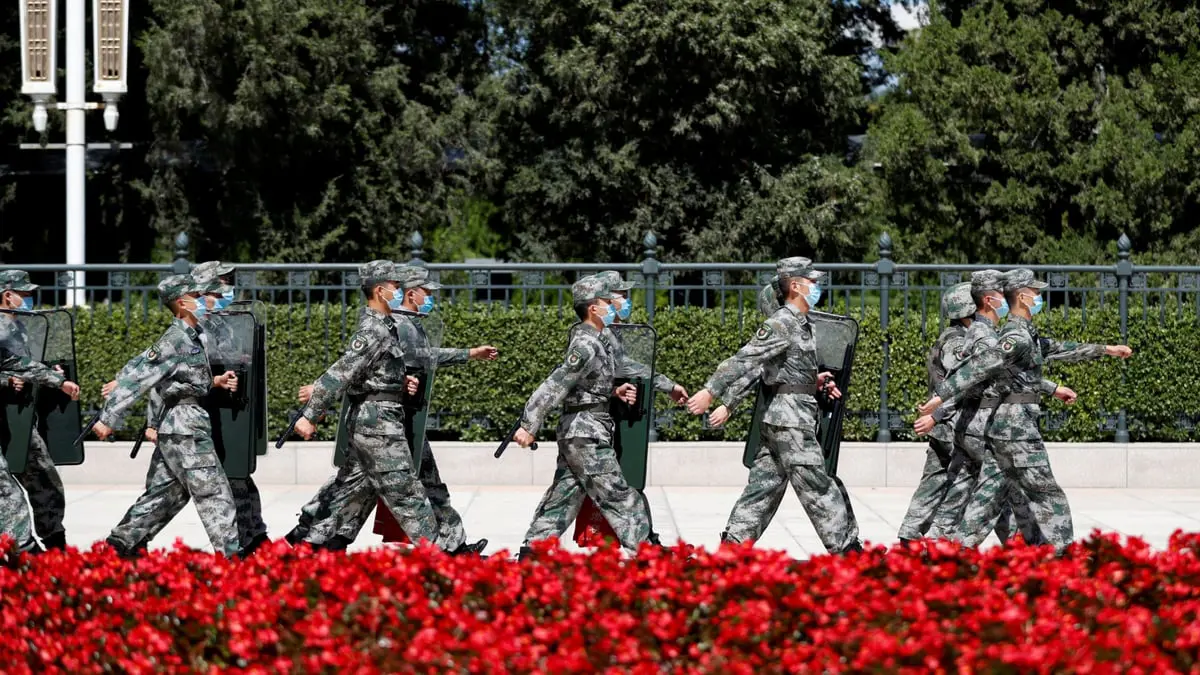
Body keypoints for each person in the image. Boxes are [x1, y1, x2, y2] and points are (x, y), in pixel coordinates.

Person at [920, 268, 1133, 552]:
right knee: (1046, 493)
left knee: (989, 499)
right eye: (1035, 292)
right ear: (1021, 296)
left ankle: (951, 552)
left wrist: (1106, 349)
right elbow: (985, 364)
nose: (1039, 296)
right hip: (1016, 429)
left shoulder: (1024, 334)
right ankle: (1063, 554)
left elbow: (1056, 348)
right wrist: (940, 397)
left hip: (1002, 430)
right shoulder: (1015, 336)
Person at [303, 264, 497, 555]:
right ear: (380, 291)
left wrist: (400, 380)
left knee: (354, 487)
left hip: (386, 418)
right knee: (407, 492)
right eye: (395, 286)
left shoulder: (388, 326)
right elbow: (341, 373)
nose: (399, 291)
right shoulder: (374, 330)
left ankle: (312, 543)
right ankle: (443, 557)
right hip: (378, 421)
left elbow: (394, 365)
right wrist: (311, 413)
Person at [686, 257, 863, 554]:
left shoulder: (802, 323)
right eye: (812, 281)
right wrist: (710, 391)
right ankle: (849, 552)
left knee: (763, 488)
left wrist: (814, 381)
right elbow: (745, 360)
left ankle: (732, 550)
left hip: (785, 417)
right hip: (790, 421)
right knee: (817, 485)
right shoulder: (782, 322)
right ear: (795, 285)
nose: (817, 285)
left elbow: (780, 369)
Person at [92, 275, 241, 558]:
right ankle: (233, 562)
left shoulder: (190, 336)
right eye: (197, 296)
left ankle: (118, 547)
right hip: (186, 428)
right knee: (217, 497)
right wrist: (108, 418)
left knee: (164, 495)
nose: (204, 300)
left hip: (180, 425)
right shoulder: (175, 339)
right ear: (182, 304)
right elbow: (139, 375)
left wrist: (215, 382)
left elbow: (182, 381)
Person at [514, 275, 652, 558]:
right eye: (606, 301)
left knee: (563, 498)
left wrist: (613, 392)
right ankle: (648, 556)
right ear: (593, 307)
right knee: (620, 497)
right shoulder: (586, 345)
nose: (612, 305)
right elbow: (557, 383)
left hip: (582, 430)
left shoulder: (596, 340)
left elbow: (584, 385)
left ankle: (532, 553)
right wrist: (529, 423)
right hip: (585, 433)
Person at [0, 270, 72, 550]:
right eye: (25, 294)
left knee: (44, 478)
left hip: (16, 417)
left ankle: (55, 542)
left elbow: (21, 364)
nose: (29, 299)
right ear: (8, 295)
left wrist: (55, 377)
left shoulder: (20, 326)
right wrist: (6, 381)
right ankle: (24, 552)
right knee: (6, 492)